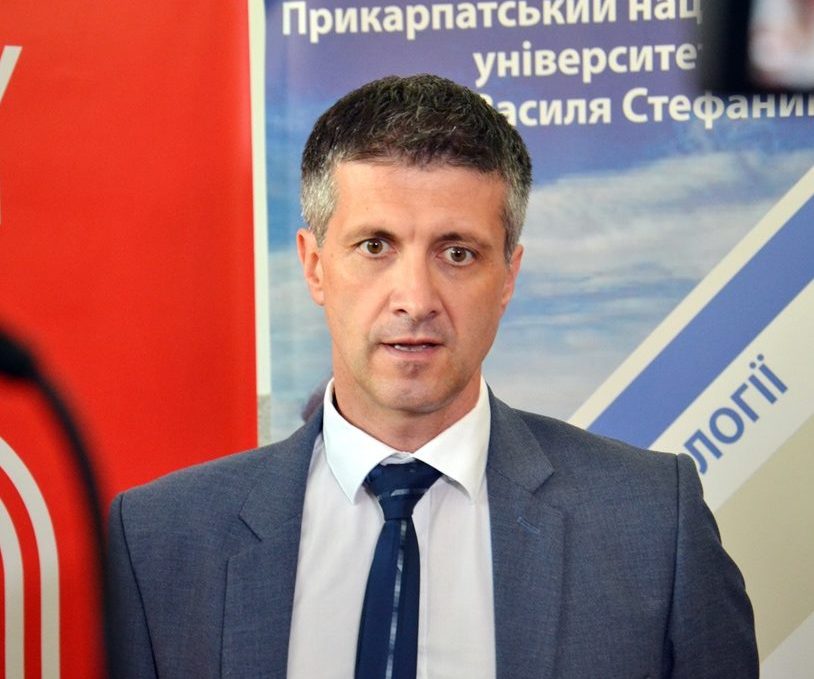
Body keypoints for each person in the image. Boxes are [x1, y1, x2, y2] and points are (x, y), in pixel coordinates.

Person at [107, 74, 758, 678]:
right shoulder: (160, 542)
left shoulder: (653, 524)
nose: (415, 299)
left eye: (458, 253)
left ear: (508, 276)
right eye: (375, 246)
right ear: (313, 266)